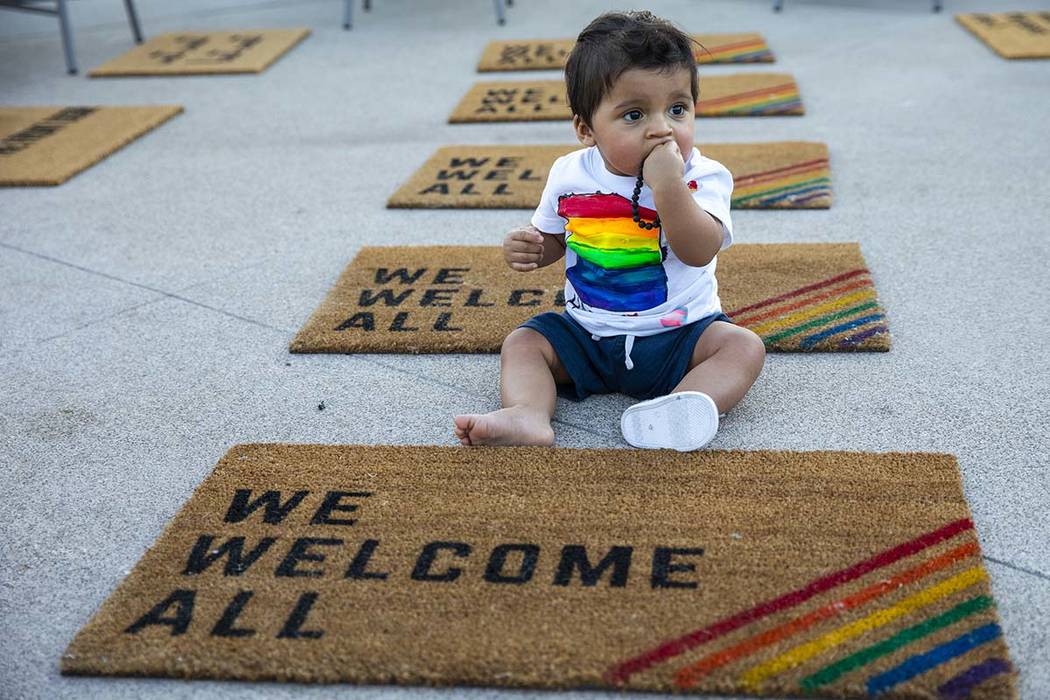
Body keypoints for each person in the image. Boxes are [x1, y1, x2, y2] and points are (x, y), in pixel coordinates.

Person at [454, 10, 765, 451]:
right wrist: (532, 248)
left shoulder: (704, 177)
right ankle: (528, 413)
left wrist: (670, 186)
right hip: (588, 333)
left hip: (680, 334)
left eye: (678, 109)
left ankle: (681, 407)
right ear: (586, 129)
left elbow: (699, 250)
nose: (662, 129)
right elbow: (556, 239)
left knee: (743, 347)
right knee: (524, 342)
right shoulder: (569, 174)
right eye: (634, 114)